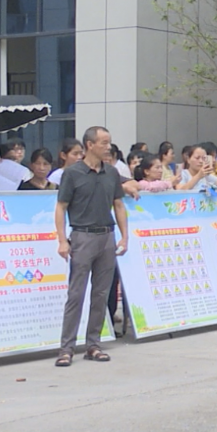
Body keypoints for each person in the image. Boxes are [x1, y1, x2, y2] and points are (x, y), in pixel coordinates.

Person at [54, 127, 127, 367]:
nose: (108, 147)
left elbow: (118, 205)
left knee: (101, 294)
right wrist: (62, 240)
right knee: (76, 294)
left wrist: (124, 236)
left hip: (107, 236)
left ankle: (93, 345)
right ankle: (66, 348)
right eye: (103, 142)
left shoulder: (112, 173)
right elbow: (61, 207)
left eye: (109, 142)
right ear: (89, 145)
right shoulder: (72, 173)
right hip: (82, 236)